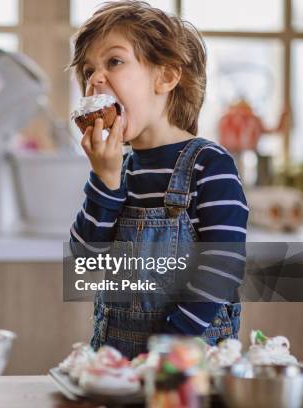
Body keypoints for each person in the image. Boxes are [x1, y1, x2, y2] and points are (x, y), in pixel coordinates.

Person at [68, 1, 248, 359]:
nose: (95, 80)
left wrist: (167, 348)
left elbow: (221, 267)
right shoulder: (118, 168)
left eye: (114, 62)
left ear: (165, 76)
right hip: (116, 361)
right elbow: (85, 259)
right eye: (88, 71)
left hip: (187, 366)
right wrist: (103, 182)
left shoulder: (209, 166)